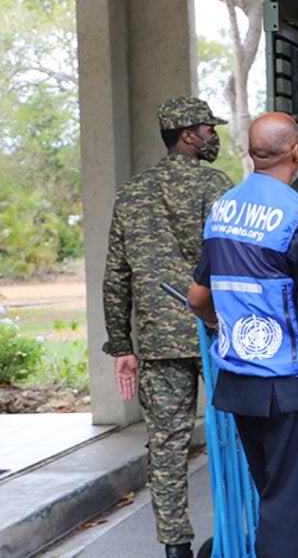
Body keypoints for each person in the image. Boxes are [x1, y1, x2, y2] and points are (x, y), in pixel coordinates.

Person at [187, 112, 298, 557]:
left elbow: (198, 297)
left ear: (251, 153)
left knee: (279, 497)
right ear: (297, 151)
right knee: (294, 511)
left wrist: (225, 325)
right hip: (291, 390)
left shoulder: (223, 211)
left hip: (241, 387)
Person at [101, 96, 234, 558]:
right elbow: (231, 258)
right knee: (232, 437)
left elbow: (116, 275)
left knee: (166, 445)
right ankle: (233, 534)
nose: (213, 137)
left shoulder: (132, 193)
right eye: (208, 130)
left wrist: (122, 344)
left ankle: (176, 547)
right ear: (187, 135)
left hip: (158, 340)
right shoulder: (214, 185)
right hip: (215, 332)